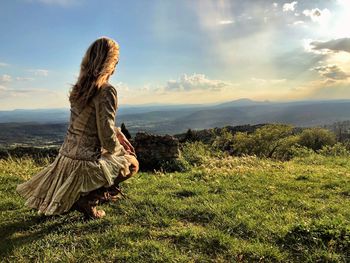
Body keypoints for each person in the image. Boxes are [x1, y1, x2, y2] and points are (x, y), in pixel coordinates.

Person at [16, 37, 139, 219]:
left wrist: (116, 135)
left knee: (118, 156)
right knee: (132, 163)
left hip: (66, 157)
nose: (116, 66)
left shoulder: (79, 89)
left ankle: (94, 193)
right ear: (108, 62)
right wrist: (122, 149)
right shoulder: (106, 90)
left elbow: (86, 126)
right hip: (86, 161)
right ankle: (90, 198)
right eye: (115, 61)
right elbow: (106, 136)